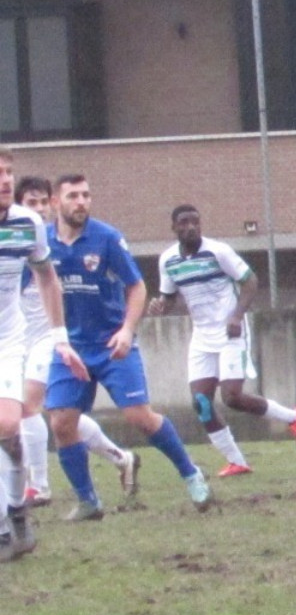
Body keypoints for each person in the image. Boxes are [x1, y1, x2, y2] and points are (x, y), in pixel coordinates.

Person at [44, 174, 213, 517]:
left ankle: (192, 474)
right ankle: (88, 501)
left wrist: (126, 330)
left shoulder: (106, 238)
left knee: (139, 418)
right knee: (61, 423)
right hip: (70, 347)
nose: (81, 202)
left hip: (111, 343)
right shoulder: (44, 241)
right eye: (73, 195)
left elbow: (137, 288)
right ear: (54, 203)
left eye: (86, 195)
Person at [153, 204, 296, 475]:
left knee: (232, 397)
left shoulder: (218, 251)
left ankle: (293, 418)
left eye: (195, 222)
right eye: (184, 222)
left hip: (231, 333)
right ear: (174, 227)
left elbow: (250, 280)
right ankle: (237, 461)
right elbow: (168, 298)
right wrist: (159, 307)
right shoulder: (168, 260)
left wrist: (237, 316)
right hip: (202, 336)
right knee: (201, 403)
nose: (190, 227)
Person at [14, 175, 139, 508]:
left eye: (43, 202)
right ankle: (119, 456)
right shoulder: (19, 241)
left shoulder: (54, 242)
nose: (39, 209)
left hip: (54, 338)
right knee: (58, 414)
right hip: (18, 340)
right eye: (31, 203)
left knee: (27, 406)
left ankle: (38, 486)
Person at [0, 155, 89, 561]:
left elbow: (46, 276)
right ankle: (10, 518)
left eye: (7, 173)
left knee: (7, 424)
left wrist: (60, 338)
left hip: (8, 338)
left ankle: (16, 510)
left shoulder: (27, 223)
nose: (5, 181)